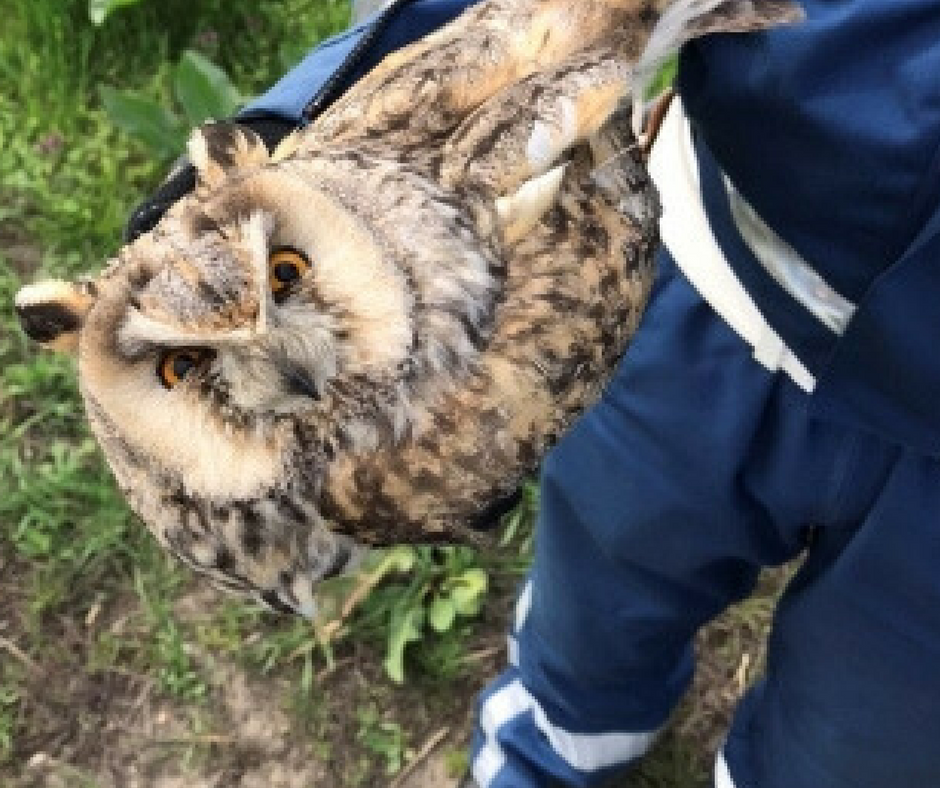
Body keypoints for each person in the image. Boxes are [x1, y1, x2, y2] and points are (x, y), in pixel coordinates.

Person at [127, 2, 940, 787]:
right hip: (711, 292)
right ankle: (551, 746)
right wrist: (317, 122)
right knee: (599, 592)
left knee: (869, 738)